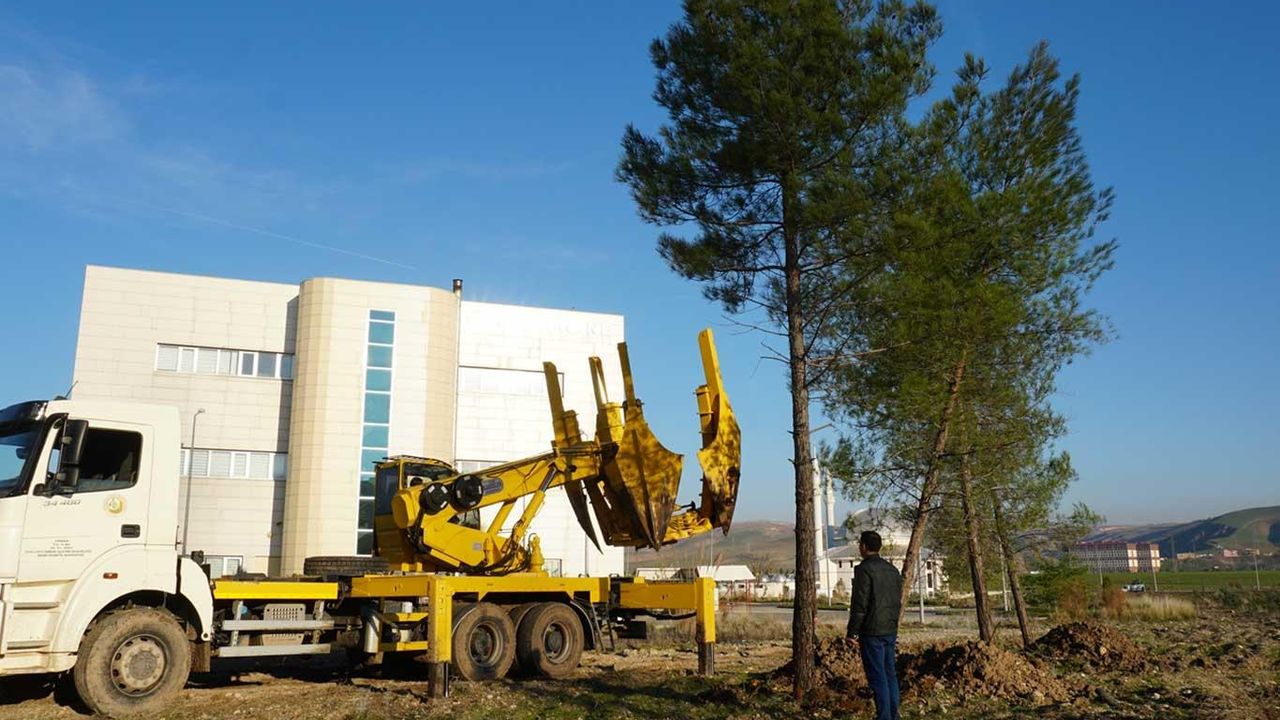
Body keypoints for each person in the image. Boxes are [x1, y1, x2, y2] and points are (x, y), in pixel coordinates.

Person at [847, 530, 903, 720]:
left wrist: (852, 632)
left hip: (872, 631)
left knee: (877, 676)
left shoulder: (864, 570)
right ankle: (893, 715)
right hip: (890, 629)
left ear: (863, 546)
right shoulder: (892, 570)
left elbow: (860, 604)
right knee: (890, 674)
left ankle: (884, 716)